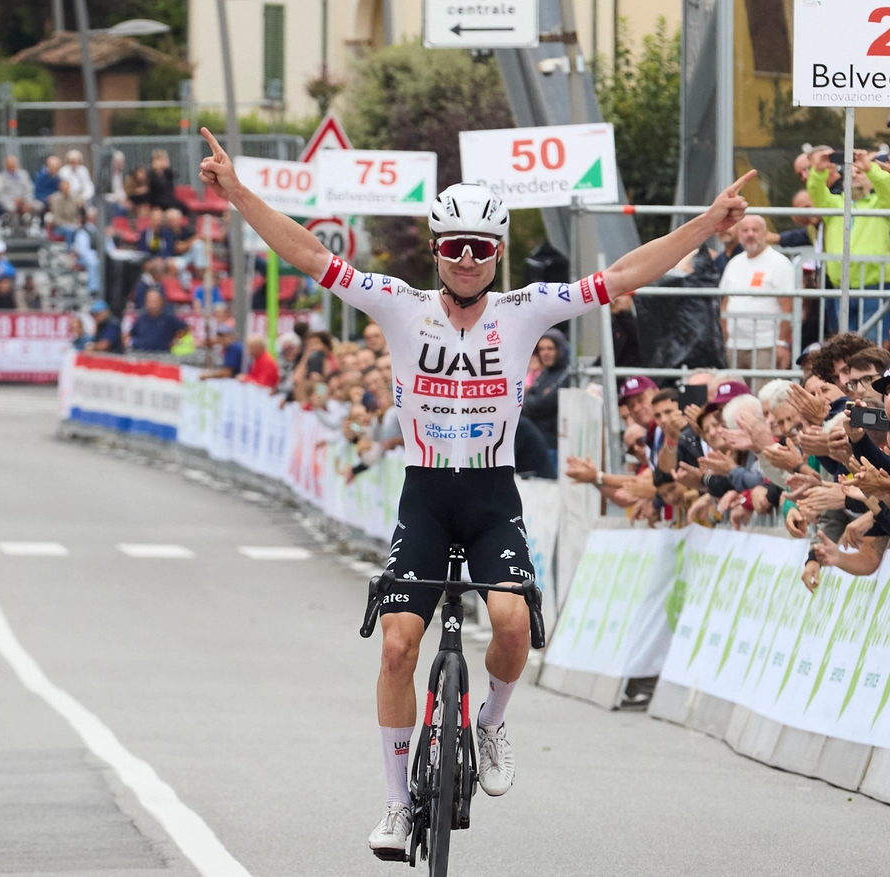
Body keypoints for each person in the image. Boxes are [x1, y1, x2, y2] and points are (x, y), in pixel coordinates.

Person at [195, 125, 755, 856]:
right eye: (454, 246)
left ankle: (490, 721)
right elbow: (310, 254)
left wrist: (706, 226)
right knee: (398, 647)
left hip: (493, 496)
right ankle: (397, 806)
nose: (465, 259)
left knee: (514, 625)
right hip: (425, 494)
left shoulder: (525, 308)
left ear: (498, 253)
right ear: (436, 249)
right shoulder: (399, 304)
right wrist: (239, 193)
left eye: (480, 248)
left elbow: (621, 277)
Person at [807, 146, 890, 335]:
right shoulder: (833, 203)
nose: (855, 175)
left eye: (860, 172)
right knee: (845, 348)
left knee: (871, 347)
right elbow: (815, 189)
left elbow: (887, 186)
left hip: (875, 285)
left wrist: (869, 167)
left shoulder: (881, 203)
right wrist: (819, 169)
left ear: (871, 181)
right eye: (851, 172)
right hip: (842, 287)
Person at [719, 215, 794, 370]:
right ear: (740, 235)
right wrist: (724, 340)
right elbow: (725, 303)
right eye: (745, 230)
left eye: (755, 230)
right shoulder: (733, 263)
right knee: (734, 393)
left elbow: (788, 307)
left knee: (762, 393)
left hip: (765, 346)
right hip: (734, 346)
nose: (750, 234)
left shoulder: (779, 263)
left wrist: (781, 344)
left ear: (766, 233)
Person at [521, 329, 569, 458]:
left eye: (550, 348)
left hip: (555, 444)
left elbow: (545, 403)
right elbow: (527, 401)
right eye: (541, 349)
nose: (545, 353)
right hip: (537, 442)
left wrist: (534, 401)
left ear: (559, 350)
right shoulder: (544, 374)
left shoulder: (567, 374)